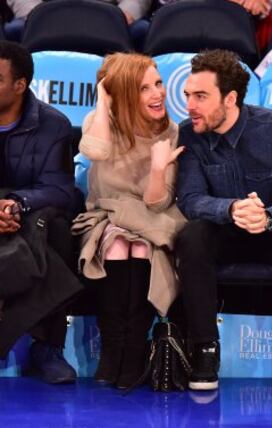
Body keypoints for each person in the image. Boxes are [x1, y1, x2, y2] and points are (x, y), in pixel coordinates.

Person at [175, 49, 272, 392]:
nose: (189, 105)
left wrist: (269, 217)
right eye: (186, 95)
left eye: (200, 96)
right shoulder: (190, 133)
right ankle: (205, 349)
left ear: (230, 98)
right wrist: (231, 210)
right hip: (224, 234)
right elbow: (191, 199)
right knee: (192, 235)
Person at [71, 52, 186, 389]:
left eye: (159, 83)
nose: (158, 94)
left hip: (154, 217)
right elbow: (95, 151)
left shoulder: (172, 131)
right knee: (119, 242)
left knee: (137, 244)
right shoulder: (100, 120)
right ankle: (113, 349)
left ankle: (134, 350)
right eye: (143, 88)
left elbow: (159, 201)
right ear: (122, 93)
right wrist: (104, 99)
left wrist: (156, 167)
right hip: (105, 215)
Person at [0, 41, 83, 383]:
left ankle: (48, 347)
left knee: (59, 229)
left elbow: (61, 189)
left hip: (28, 211)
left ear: (20, 86)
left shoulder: (53, 124)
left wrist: (14, 203)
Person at [5, 0, 151, 50]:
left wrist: (124, 14)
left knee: (141, 29)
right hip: (46, 14)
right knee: (14, 30)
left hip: (108, 17)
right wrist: (37, 14)